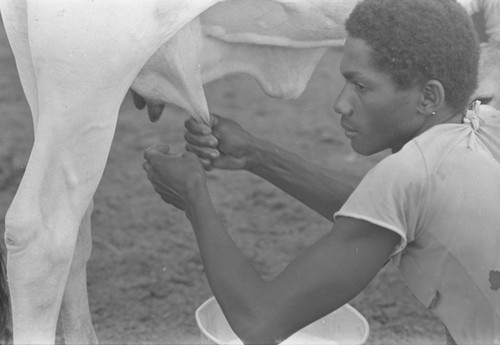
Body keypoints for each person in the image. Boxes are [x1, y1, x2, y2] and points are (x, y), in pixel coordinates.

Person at [142, 0, 500, 343]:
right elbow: (385, 211)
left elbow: (259, 322)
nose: (340, 103)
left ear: (428, 98)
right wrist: (255, 154)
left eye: (361, 86)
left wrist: (193, 197)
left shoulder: (409, 175)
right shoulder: (484, 124)